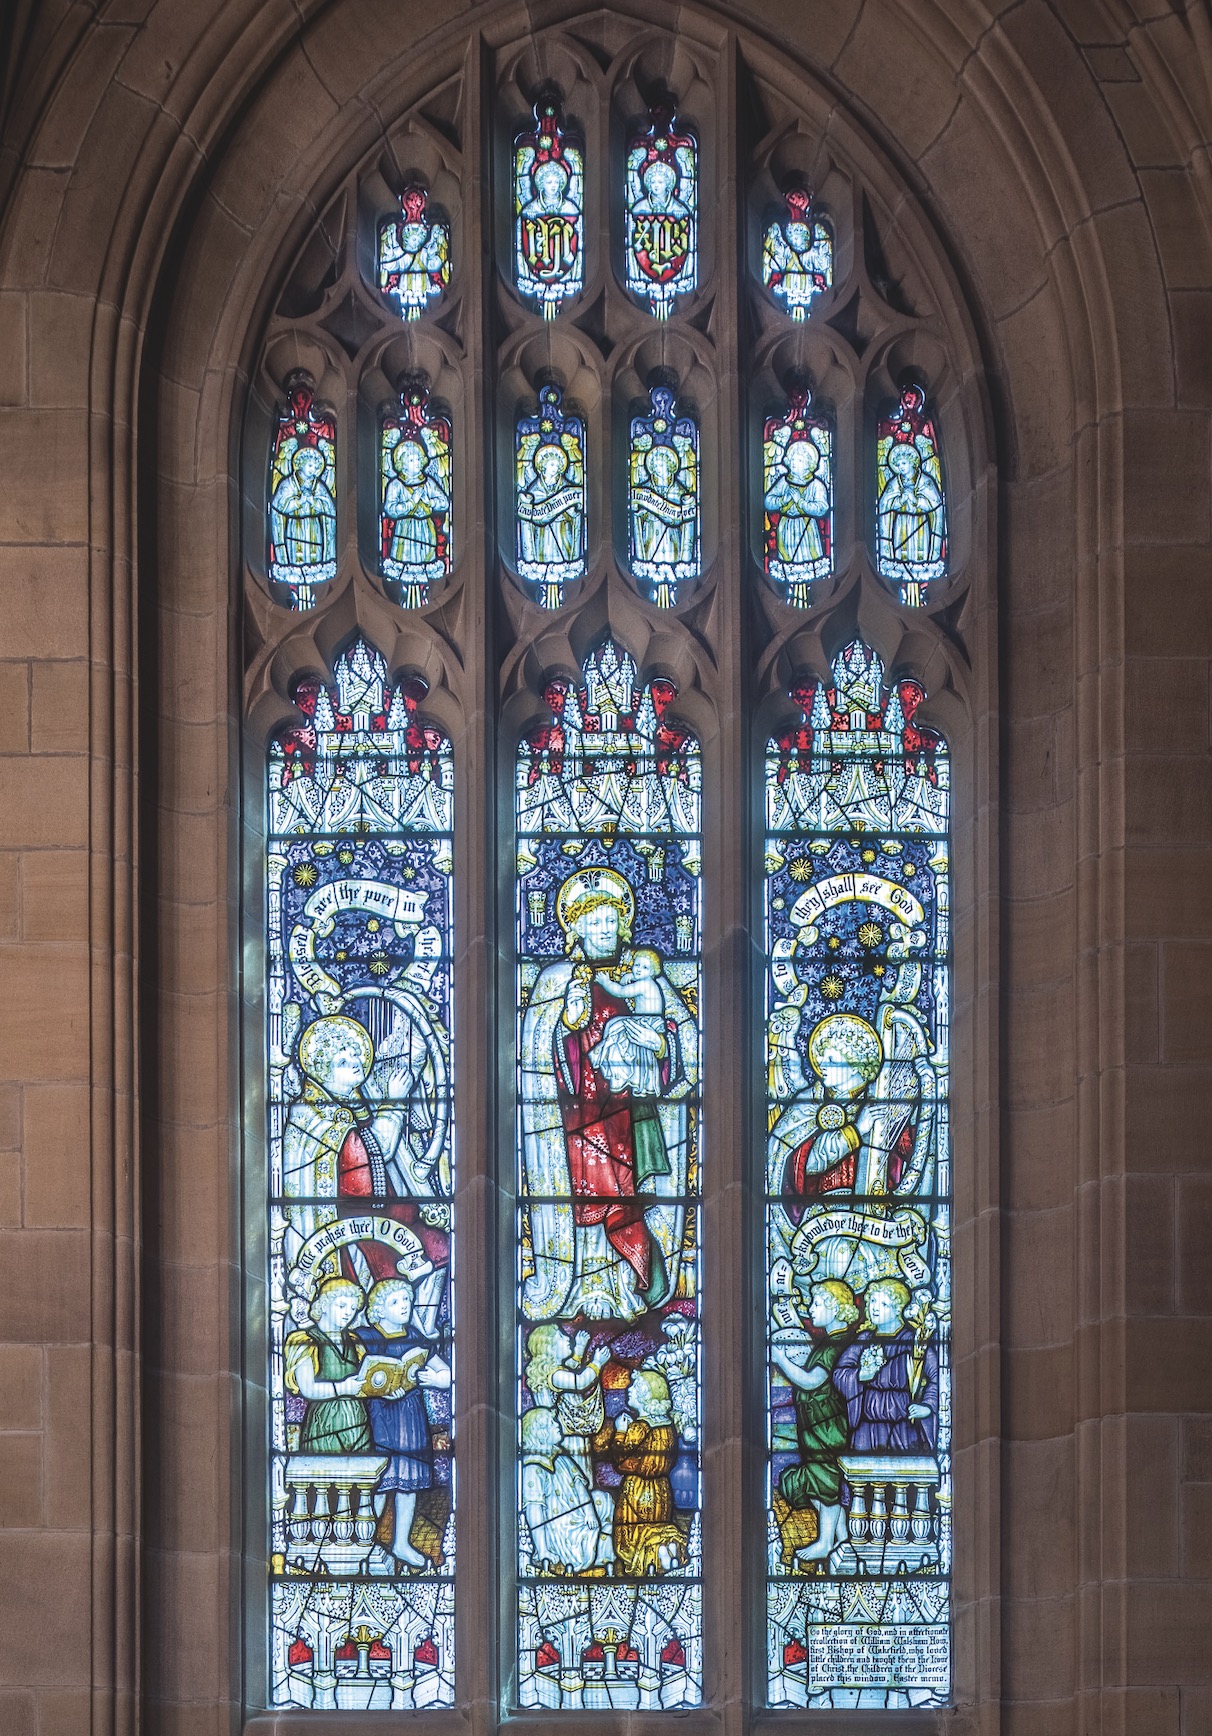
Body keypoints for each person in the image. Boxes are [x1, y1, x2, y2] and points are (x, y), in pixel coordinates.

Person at [518, 868, 697, 1320]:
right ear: (575, 927)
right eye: (594, 921)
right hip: (578, 1114)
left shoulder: (644, 975)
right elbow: (539, 1047)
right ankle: (579, 1283)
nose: (604, 929)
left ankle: (626, 1286)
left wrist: (659, 1043)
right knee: (586, 1193)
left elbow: (679, 1040)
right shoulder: (557, 978)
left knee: (624, 1194)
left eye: (612, 921)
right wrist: (568, 1020)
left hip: (628, 1114)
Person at [281, 1013, 433, 1286]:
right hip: (348, 1227)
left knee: (437, 1248)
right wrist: (394, 1102)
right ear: (322, 1071)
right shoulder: (311, 1114)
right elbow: (372, 1151)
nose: (355, 1063)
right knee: (433, 1250)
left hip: (379, 1217)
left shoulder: (357, 1100)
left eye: (356, 1055)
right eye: (342, 1061)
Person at [356, 1276, 450, 1572]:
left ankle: (401, 1543)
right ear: (378, 1309)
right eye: (395, 1301)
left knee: (408, 1482)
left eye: (407, 1300)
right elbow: (354, 1379)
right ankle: (366, 1541)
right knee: (379, 1483)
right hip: (380, 1416)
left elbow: (446, 1375)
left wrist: (435, 1379)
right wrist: (378, 1388)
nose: (404, 1306)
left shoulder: (415, 1337)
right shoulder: (364, 1337)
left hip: (410, 1418)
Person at [771, 1280, 859, 1565]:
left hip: (827, 1426)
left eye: (817, 1303)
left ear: (835, 1308)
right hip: (817, 1425)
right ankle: (841, 1535)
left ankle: (825, 1542)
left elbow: (812, 1381)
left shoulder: (835, 1344)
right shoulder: (830, 1341)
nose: (811, 1309)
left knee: (824, 1479)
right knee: (815, 1478)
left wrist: (781, 1360)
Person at [832, 1278, 938, 1454]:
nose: (875, 1308)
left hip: (902, 1427)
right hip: (866, 1428)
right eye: (873, 1301)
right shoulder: (864, 1339)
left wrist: (927, 1406)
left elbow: (937, 1377)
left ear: (897, 1309)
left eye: (883, 1304)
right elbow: (839, 1373)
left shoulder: (913, 1342)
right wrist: (860, 1375)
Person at [608, 1370, 687, 1575]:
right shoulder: (667, 1428)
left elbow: (622, 1462)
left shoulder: (639, 1428)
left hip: (637, 1491)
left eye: (635, 1387)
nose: (629, 1390)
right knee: (655, 1528)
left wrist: (620, 1432)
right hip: (660, 1491)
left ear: (645, 1394)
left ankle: (641, 1565)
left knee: (632, 1537)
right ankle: (661, 1556)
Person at [520, 1406, 614, 1574]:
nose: (557, 1425)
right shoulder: (533, 1468)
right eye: (552, 1423)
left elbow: (581, 1489)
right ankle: (595, 1555)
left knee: (602, 1498)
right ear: (540, 1433)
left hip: (579, 1514)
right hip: (560, 1527)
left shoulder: (562, 1459)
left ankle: (607, 1554)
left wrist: (590, 1513)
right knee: (592, 1533)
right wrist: (542, 1550)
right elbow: (535, 1512)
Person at [284, 1277, 371, 1454]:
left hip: (358, 1422)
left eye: (353, 1308)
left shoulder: (355, 1342)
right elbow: (308, 1389)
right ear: (324, 1305)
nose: (348, 1313)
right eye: (342, 1306)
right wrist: (342, 1388)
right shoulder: (305, 1341)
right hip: (324, 1424)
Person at [524, 1323, 611, 1487]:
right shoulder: (555, 1375)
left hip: (558, 1434)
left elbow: (568, 1372)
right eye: (561, 1336)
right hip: (565, 1437)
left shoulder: (551, 1372)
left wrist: (578, 1351)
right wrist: (597, 1363)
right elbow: (579, 1381)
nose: (567, 1338)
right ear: (550, 1348)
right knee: (576, 1476)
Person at [589, 949, 667, 1097]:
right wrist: (630, 975)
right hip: (646, 1021)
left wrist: (606, 982)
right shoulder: (648, 982)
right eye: (637, 965)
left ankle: (617, 1072)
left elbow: (620, 991)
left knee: (616, 1034)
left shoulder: (644, 985)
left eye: (645, 967)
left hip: (644, 1023)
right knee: (615, 1027)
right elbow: (637, 976)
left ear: (652, 972)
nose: (639, 969)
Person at [876, 441, 945, 600]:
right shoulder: (894, 483)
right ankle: (905, 587)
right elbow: (884, 504)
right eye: (898, 464)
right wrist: (900, 501)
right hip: (901, 525)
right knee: (902, 555)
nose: (900, 467)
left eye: (904, 463)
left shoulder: (925, 481)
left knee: (919, 556)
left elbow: (934, 504)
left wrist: (916, 500)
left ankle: (917, 588)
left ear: (912, 462)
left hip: (920, 525)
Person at [382, 436, 448, 587]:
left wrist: (430, 502)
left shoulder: (428, 483)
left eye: (418, 459)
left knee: (426, 564)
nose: (417, 463)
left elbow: (444, 502)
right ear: (402, 464)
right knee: (403, 565)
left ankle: (425, 589)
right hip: (404, 531)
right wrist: (411, 502)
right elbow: (391, 508)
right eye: (411, 460)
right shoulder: (396, 485)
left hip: (426, 530)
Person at [765, 437, 830, 591]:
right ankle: (792, 592)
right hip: (786, 528)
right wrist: (784, 499)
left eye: (799, 460)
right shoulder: (784, 482)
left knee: (808, 563)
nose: (794, 463)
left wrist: (800, 502)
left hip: (807, 530)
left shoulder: (816, 485)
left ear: (809, 465)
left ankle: (808, 592)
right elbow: (768, 502)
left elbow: (822, 508)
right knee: (787, 564)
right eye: (793, 459)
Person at [269, 442, 336, 587]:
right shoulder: (287, 484)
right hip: (295, 528)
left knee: (314, 560)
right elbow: (279, 506)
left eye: (316, 467)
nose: (313, 470)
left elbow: (329, 508)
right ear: (300, 464)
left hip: (314, 528)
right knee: (296, 557)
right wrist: (298, 502)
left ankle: (316, 585)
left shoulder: (319, 486)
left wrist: (313, 502)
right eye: (310, 465)